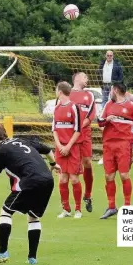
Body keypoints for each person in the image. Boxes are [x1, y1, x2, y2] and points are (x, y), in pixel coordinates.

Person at [0, 123, 60, 265]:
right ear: (4, 132)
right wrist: (53, 164)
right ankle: (32, 259)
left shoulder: (0, 152)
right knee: (33, 216)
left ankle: (3, 252)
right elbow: (47, 149)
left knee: (5, 212)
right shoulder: (22, 141)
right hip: (47, 180)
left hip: (30, 181)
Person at [97, 82, 133, 219]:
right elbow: (100, 122)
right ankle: (111, 207)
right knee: (108, 176)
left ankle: (127, 207)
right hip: (108, 145)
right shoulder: (108, 105)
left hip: (124, 145)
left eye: (111, 89)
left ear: (116, 90)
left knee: (124, 175)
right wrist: (107, 119)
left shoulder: (131, 107)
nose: (110, 92)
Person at [53, 81, 83, 219]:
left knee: (74, 179)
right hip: (60, 148)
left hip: (73, 148)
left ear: (60, 92)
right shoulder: (56, 108)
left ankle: (78, 209)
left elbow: (78, 130)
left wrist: (68, 146)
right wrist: (59, 146)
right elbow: (54, 129)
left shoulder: (74, 107)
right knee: (62, 179)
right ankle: (66, 209)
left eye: (56, 90)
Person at [70, 72, 96, 212]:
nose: (87, 79)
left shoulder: (89, 95)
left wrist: (79, 127)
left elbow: (91, 115)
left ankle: (88, 194)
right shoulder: (67, 94)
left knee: (87, 162)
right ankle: (70, 205)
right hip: (71, 135)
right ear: (77, 78)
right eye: (85, 77)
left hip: (84, 134)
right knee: (71, 169)